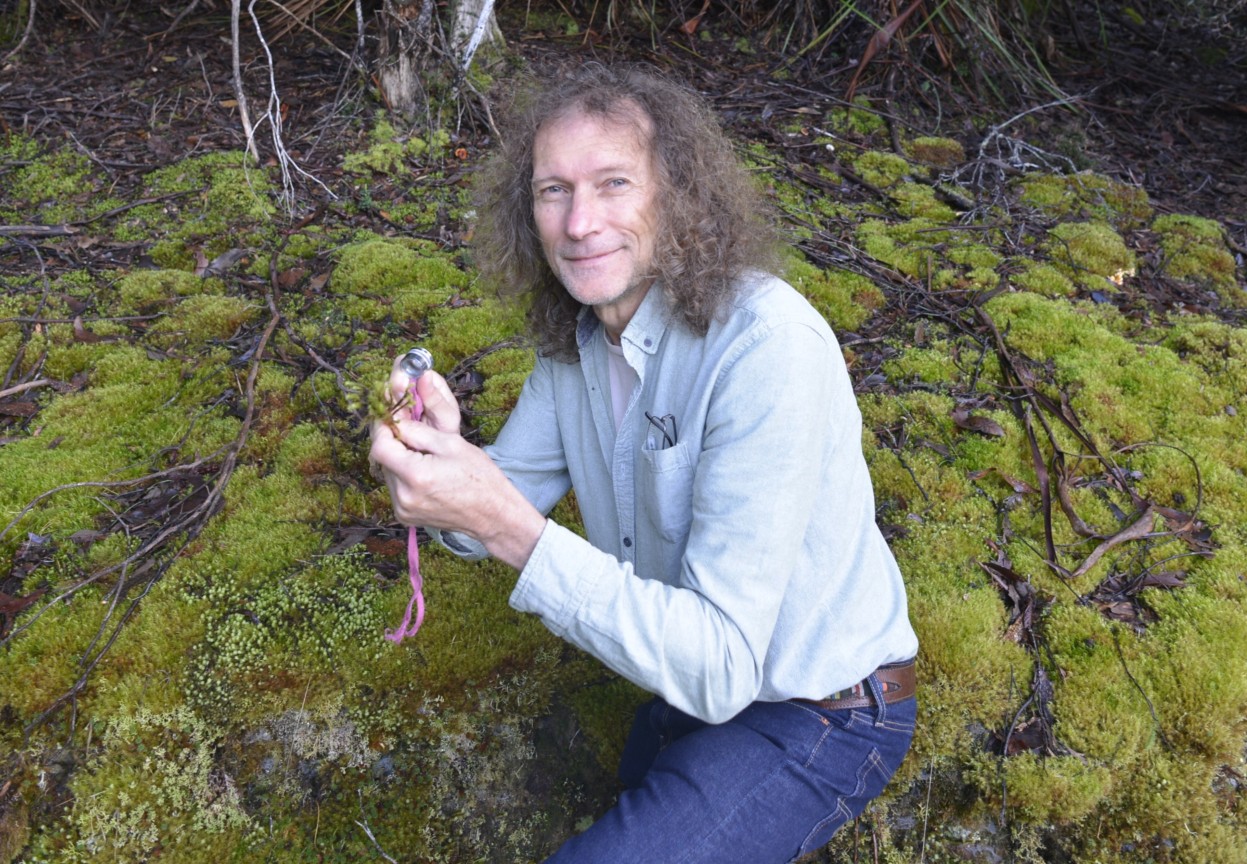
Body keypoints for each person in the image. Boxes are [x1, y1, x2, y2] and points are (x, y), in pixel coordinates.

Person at [368, 61, 918, 864]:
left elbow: (724, 663)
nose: (580, 222)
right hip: (692, 687)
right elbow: (485, 509)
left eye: (614, 182)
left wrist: (509, 527)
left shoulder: (766, 349)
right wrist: (438, 463)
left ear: (678, 195)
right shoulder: (578, 345)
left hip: (824, 709)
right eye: (553, 190)